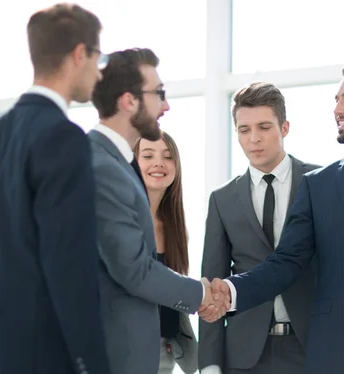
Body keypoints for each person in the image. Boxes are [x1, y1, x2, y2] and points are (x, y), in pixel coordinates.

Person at [209, 62, 344, 374]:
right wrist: (231, 292)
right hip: (334, 354)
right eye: (337, 99)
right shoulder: (318, 185)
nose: (337, 109)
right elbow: (287, 260)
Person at [0, 4, 111, 373]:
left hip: (1, 355)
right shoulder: (63, 139)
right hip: (51, 358)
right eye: (98, 57)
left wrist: (4, 323)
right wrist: (91, 365)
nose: (99, 70)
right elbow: (69, 265)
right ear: (80, 54)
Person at [89, 47, 226, 374]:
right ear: (129, 101)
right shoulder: (102, 167)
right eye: (159, 94)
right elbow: (133, 270)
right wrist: (200, 293)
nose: (166, 105)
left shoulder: (112, 165)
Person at [199, 82, 320, 374]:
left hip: (312, 347)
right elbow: (213, 280)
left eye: (264, 127)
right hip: (244, 354)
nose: (254, 138)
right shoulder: (222, 199)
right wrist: (210, 364)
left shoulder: (321, 182)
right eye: (244, 130)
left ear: (285, 127)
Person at [132, 131, 199, 374]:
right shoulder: (122, 222)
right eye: (148, 155)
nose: (159, 163)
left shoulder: (175, 228)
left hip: (164, 353)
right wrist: (200, 294)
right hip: (125, 352)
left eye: (168, 157)